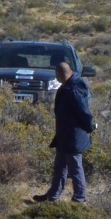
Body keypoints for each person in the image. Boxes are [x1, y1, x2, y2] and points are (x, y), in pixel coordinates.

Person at [33, 62, 96, 204]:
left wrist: (89, 127)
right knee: (60, 166)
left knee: (75, 167)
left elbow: (84, 112)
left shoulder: (74, 89)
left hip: (73, 135)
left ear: (60, 74)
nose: (56, 78)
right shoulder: (68, 86)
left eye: (56, 75)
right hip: (64, 134)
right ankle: (53, 196)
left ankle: (79, 199)